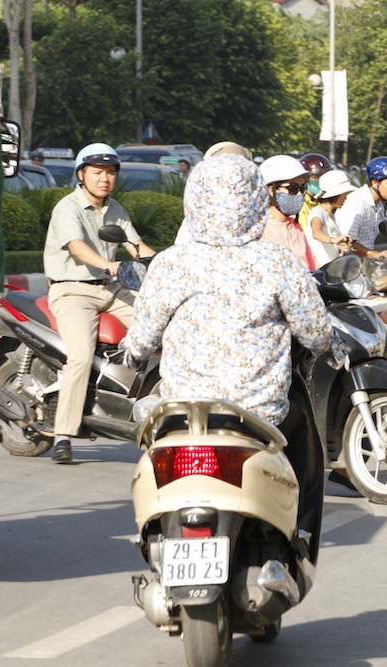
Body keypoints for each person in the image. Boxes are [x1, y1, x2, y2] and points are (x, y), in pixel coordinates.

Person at [120, 154, 345, 564]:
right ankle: (299, 545)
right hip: (261, 414)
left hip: (183, 413)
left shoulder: (171, 263)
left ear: (194, 201)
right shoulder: (276, 262)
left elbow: (141, 340)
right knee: (310, 460)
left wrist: (134, 355)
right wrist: (329, 348)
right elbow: (315, 333)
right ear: (257, 202)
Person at [43, 142, 157, 463]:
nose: (104, 179)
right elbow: (77, 246)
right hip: (72, 290)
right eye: (97, 172)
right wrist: (107, 264)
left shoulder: (115, 210)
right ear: (82, 175)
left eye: (110, 172)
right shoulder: (68, 207)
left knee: (159, 325)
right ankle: (63, 435)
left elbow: (136, 245)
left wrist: (166, 263)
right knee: (79, 358)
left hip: (111, 288)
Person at [336, 156, 387, 260]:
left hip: (366, 264)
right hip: (348, 266)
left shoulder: (378, 204)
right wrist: (376, 254)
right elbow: (348, 244)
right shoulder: (356, 204)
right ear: (375, 183)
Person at [259, 154, 316, 270]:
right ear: (271, 190)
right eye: (293, 188)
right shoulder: (260, 229)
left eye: (303, 188)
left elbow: (313, 267)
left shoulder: (295, 226)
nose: (300, 194)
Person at [305, 169, 356, 266]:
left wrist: (340, 245)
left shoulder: (330, 215)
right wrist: (334, 240)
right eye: (344, 194)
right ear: (335, 195)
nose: (345, 197)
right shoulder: (318, 211)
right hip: (321, 270)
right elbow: (316, 233)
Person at [297, 153, 333, 229]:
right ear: (304, 179)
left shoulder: (326, 201)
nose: (321, 181)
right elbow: (305, 232)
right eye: (316, 177)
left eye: (324, 176)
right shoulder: (299, 204)